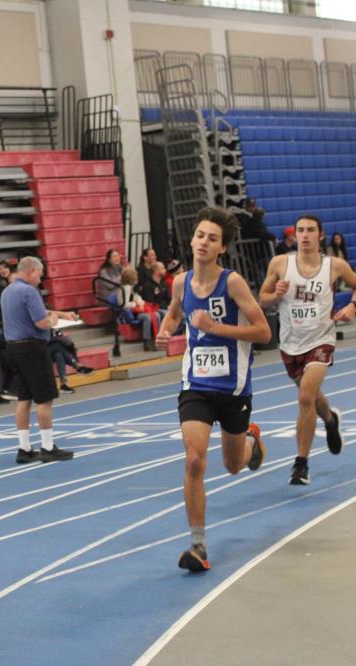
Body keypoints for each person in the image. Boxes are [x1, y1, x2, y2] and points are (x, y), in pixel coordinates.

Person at [155, 207, 270, 572]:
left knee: (233, 466)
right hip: (196, 384)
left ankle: (251, 441)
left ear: (222, 248)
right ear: (192, 240)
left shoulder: (232, 283)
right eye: (200, 235)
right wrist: (165, 330)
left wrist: (215, 327)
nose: (204, 242)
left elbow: (264, 332)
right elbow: (175, 312)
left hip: (233, 387)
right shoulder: (180, 282)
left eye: (213, 238)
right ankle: (198, 544)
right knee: (194, 459)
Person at [259, 214, 356, 487]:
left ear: (321, 235)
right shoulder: (280, 263)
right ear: (294, 235)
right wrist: (276, 294)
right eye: (300, 230)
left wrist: (353, 306)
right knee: (312, 397)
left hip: (321, 339)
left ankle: (301, 464)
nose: (304, 235)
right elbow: (262, 299)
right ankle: (330, 420)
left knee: (305, 396)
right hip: (290, 342)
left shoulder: (334, 265)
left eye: (310, 230)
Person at [2, 256, 79, 464]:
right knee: (45, 398)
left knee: (24, 398)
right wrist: (54, 320)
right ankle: (47, 447)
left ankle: (24, 448)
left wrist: (60, 314)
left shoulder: (8, 291)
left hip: (13, 348)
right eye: (40, 275)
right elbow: (42, 322)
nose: (40, 280)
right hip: (32, 349)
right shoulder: (29, 291)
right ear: (33, 271)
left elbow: (33, 312)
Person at [110, 266, 159, 351]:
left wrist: (141, 303)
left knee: (156, 315)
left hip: (136, 310)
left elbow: (137, 298)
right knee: (147, 317)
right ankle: (146, 341)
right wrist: (135, 304)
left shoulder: (131, 287)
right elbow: (124, 304)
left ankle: (156, 338)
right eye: (135, 275)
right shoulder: (125, 289)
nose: (137, 276)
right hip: (131, 313)